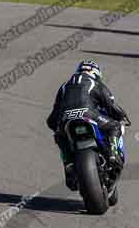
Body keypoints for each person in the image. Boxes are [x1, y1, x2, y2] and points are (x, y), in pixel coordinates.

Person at [46, 60, 129, 191]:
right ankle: (112, 154)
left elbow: (53, 116)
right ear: (96, 73)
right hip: (89, 115)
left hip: (66, 118)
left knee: (59, 136)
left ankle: (68, 164)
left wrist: (55, 125)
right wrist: (122, 116)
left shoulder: (64, 86)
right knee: (114, 126)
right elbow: (111, 106)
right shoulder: (95, 83)